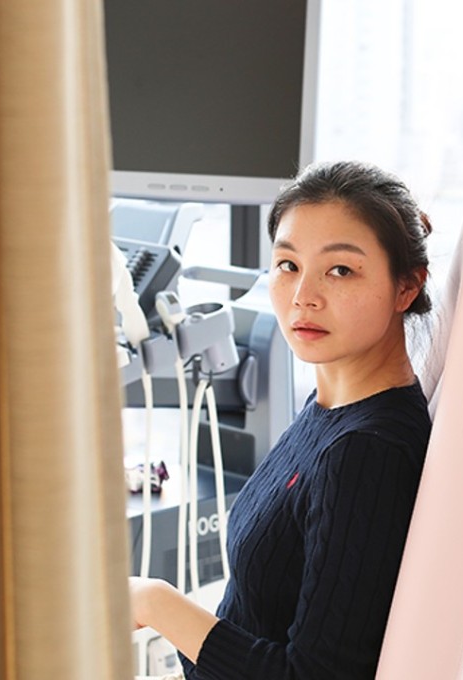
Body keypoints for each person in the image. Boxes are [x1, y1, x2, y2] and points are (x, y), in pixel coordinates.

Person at [129, 160, 434, 679]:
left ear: (406, 287)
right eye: (288, 265)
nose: (303, 296)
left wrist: (157, 603)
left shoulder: (366, 453)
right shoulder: (328, 409)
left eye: (340, 270)